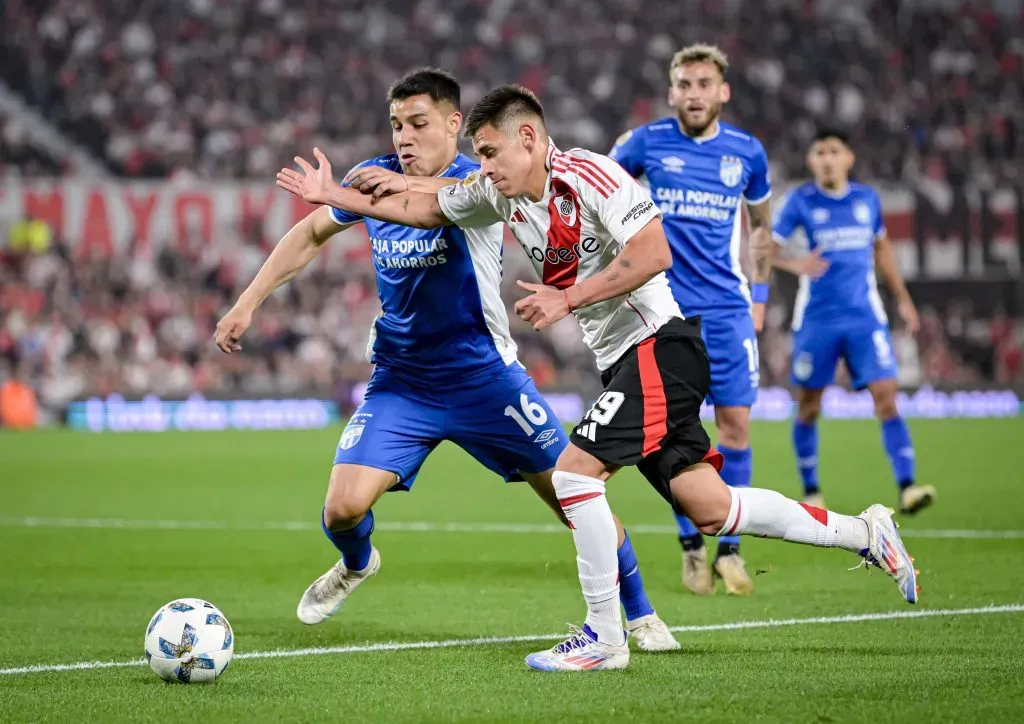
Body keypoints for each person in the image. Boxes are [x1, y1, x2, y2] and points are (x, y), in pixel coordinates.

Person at [276, 83, 921, 673]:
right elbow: (430, 209)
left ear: (528, 137)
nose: (485, 166)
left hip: (661, 346)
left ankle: (604, 637)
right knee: (710, 506)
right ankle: (866, 533)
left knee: (573, 475)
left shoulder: (591, 173)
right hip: (627, 360)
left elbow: (653, 253)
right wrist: (336, 198)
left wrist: (569, 298)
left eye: (492, 151)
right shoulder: (497, 195)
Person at [215, 69, 677, 651]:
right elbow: (308, 235)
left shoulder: (485, 179)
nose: (404, 137)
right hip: (401, 382)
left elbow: (433, 206)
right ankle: (358, 564)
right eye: (396, 125)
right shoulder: (373, 178)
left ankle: (641, 614)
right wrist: (246, 304)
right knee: (340, 510)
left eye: (418, 124)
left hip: (485, 380)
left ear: (455, 126)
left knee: (572, 496)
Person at [610, 43, 773, 595]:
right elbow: (601, 192)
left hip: (728, 309)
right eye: (684, 84)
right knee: (670, 433)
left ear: (722, 91)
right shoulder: (645, 143)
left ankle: (730, 552)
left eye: (704, 83)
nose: (693, 93)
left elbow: (762, 229)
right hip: (665, 311)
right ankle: (690, 548)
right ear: (672, 90)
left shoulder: (748, 153)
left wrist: (764, 293)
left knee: (736, 426)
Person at [771, 128, 935, 514]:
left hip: (865, 318)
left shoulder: (866, 200)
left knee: (887, 397)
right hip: (817, 320)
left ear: (848, 158)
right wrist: (796, 264)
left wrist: (905, 302)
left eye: (834, 151)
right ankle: (811, 490)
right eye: (820, 152)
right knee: (809, 405)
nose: (827, 158)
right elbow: (764, 249)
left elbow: (883, 251)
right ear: (811, 161)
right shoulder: (799, 201)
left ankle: (908, 486)